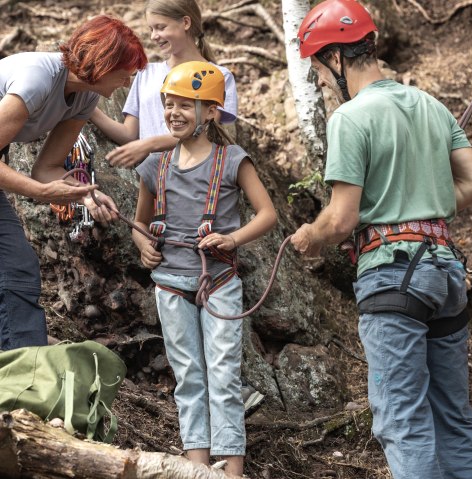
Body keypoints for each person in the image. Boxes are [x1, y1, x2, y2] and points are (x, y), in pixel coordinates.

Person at [291, 1, 472, 478]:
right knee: (455, 419)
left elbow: (340, 220)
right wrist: (423, 206)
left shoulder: (351, 119)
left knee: (403, 422)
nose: (317, 82)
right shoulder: (432, 106)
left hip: (393, 278)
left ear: (335, 59)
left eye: (316, 69)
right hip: (445, 272)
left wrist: (311, 237)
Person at [132, 61, 277, 476]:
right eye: (168, 104)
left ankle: (231, 468)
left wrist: (232, 239)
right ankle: (198, 467)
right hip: (170, 284)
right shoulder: (156, 165)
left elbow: (266, 214)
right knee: (188, 375)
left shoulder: (232, 160)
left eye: (185, 105)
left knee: (223, 373)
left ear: (211, 111)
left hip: (219, 282)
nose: (173, 112)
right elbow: (140, 225)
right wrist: (143, 245)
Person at [0, 15, 147, 351]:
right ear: (103, 62)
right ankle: (23, 363)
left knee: (17, 266)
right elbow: (39, 185)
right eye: (126, 70)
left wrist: (86, 196)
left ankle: (24, 366)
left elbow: (47, 168)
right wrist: (39, 193)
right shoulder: (38, 79)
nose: (127, 82)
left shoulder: (86, 98)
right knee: (13, 266)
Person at [90, 0, 237, 168]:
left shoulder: (219, 76)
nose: (153, 36)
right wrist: (87, 109)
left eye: (161, 27)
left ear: (186, 22)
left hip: (196, 180)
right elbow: (130, 135)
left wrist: (149, 144)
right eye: (151, 29)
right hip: (152, 180)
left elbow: (205, 132)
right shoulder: (146, 73)